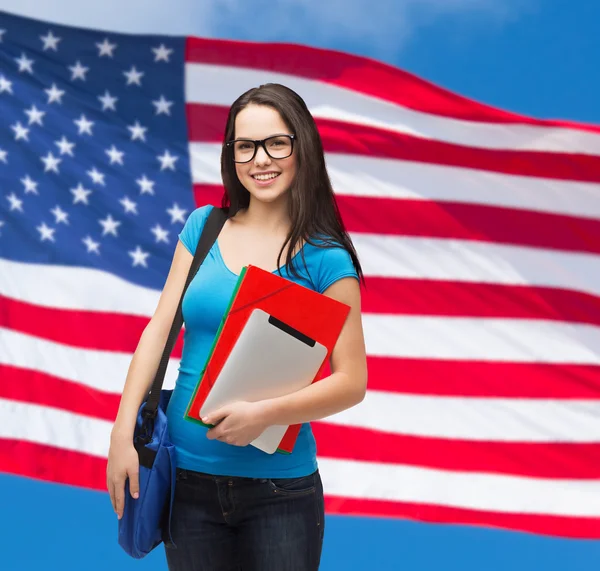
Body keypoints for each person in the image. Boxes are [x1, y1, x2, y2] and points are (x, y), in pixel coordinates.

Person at [107, 83, 368, 571]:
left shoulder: (326, 259)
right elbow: (159, 330)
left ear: (301, 146)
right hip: (185, 485)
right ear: (231, 154)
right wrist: (122, 432)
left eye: (276, 143)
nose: (260, 159)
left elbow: (352, 382)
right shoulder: (204, 227)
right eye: (245, 146)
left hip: (280, 494)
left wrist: (265, 413)